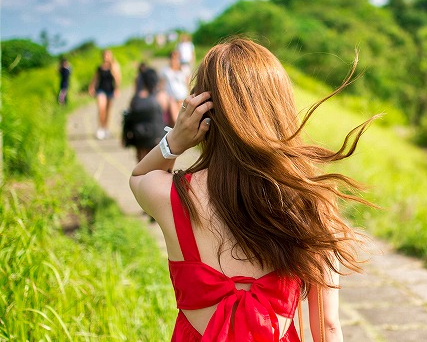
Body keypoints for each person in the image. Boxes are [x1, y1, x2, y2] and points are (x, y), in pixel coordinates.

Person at [129, 38, 377, 341]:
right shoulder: (309, 203)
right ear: (279, 110)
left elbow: (141, 175)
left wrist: (176, 141)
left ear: (203, 114)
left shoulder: (173, 196)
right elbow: (327, 327)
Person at [124, 69, 166, 162]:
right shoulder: (160, 96)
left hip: (138, 135)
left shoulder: (135, 99)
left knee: (141, 160)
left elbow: (130, 117)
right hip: (156, 135)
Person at [88, 49, 121, 140]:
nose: (106, 57)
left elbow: (117, 79)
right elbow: (95, 79)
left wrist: (117, 89)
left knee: (107, 110)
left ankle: (106, 128)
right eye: (105, 55)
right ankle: (100, 128)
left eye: (108, 55)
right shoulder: (99, 68)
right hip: (101, 90)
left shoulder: (114, 66)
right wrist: (91, 87)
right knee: (101, 108)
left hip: (110, 90)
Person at [160, 50, 190, 126]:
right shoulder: (165, 71)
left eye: (177, 58)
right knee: (175, 119)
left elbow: (188, 84)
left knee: (182, 118)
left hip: (182, 98)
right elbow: (161, 85)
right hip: (171, 98)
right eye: (173, 58)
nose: (175, 60)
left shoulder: (185, 70)